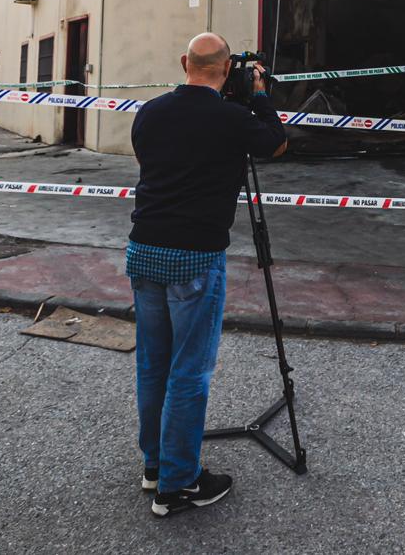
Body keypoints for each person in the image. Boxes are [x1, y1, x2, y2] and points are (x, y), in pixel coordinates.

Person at [127, 32, 287, 517]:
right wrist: (259, 94)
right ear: (226, 72)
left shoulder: (149, 113)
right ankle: (178, 485)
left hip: (143, 249)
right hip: (194, 256)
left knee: (153, 365)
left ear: (185, 64)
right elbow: (276, 144)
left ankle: (155, 465)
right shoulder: (232, 117)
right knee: (190, 372)